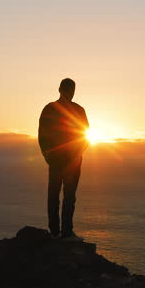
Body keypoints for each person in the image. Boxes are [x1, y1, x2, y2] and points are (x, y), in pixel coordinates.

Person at [38, 78, 89, 241]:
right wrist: (49, 156)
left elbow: (84, 136)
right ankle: (59, 232)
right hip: (61, 160)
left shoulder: (75, 110)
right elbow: (43, 135)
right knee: (58, 196)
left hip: (68, 160)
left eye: (72, 90)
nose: (70, 93)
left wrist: (76, 155)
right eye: (68, 89)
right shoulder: (52, 109)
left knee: (64, 196)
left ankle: (62, 232)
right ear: (60, 90)